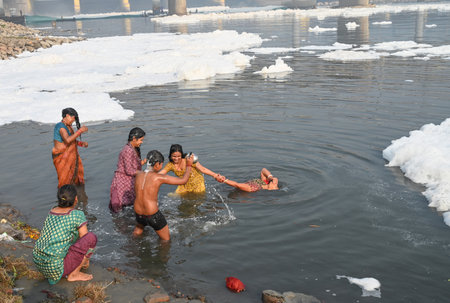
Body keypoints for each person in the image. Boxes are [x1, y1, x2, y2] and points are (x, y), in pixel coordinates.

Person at [33, 184, 97, 284]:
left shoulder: (52, 211)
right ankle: (74, 274)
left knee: (72, 232)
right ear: (76, 199)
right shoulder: (77, 214)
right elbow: (85, 239)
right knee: (91, 238)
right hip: (56, 268)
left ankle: (70, 266)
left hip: (39, 263)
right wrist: (85, 260)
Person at [133, 150, 194, 241]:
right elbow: (183, 180)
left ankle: (131, 247)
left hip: (138, 214)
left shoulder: (138, 174)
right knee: (166, 240)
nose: (161, 167)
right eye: (161, 164)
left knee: (138, 230)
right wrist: (189, 165)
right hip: (152, 215)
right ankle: (163, 255)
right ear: (157, 164)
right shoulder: (158, 178)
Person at [109, 127, 147, 213]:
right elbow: (129, 170)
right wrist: (144, 173)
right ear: (134, 139)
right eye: (141, 140)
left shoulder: (132, 149)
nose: (142, 142)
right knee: (119, 209)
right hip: (122, 182)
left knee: (126, 209)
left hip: (127, 181)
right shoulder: (128, 151)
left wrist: (143, 162)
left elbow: (132, 165)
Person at [52, 108, 88, 189]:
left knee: (74, 178)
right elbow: (67, 141)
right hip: (62, 157)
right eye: (73, 118)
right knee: (64, 181)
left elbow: (72, 140)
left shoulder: (68, 126)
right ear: (67, 116)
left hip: (70, 156)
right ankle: (63, 198)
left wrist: (81, 144)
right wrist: (80, 131)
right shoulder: (60, 126)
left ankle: (76, 195)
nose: (73, 121)